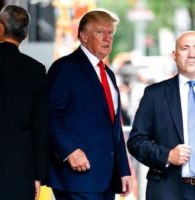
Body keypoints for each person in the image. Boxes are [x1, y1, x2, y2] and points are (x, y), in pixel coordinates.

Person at [47, 8, 132, 200]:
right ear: (83, 36)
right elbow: (49, 115)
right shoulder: (64, 68)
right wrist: (69, 150)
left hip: (107, 179)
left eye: (110, 33)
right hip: (76, 177)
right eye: (100, 32)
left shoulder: (108, 74)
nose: (107, 38)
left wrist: (124, 169)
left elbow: (114, 126)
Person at [127, 31, 195, 200]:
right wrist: (167, 155)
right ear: (174, 55)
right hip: (167, 190)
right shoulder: (154, 95)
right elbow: (136, 141)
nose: (192, 54)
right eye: (185, 48)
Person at [0, 5, 49, 200]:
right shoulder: (36, 70)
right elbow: (41, 128)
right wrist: (38, 175)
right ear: (25, 35)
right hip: (20, 171)